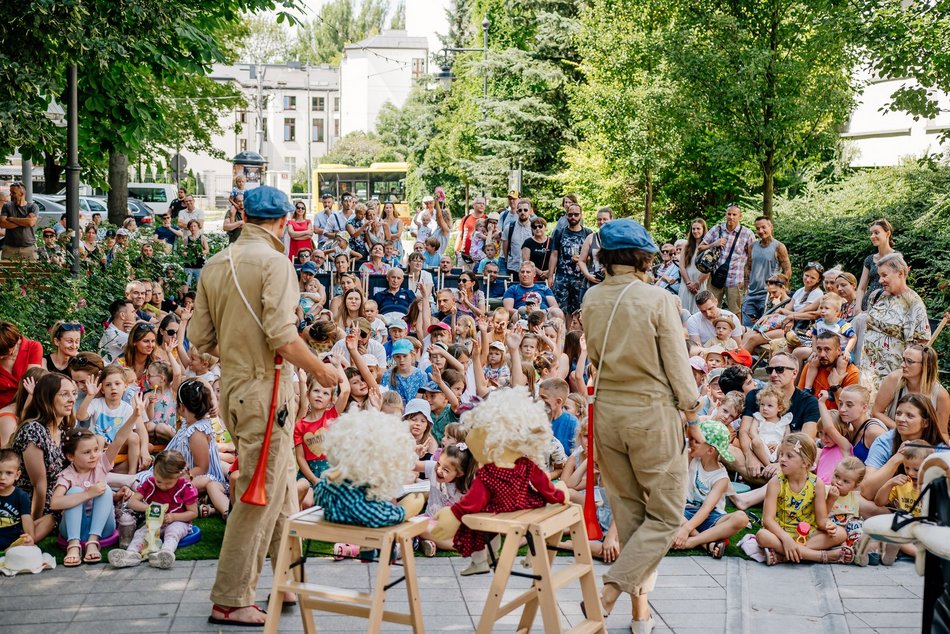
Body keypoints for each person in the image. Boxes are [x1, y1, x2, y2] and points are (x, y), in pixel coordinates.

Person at [189, 185, 338, 626]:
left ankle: (289, 581)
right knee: (259, 493)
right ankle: (231, 599)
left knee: (279, 489)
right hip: (268, 391)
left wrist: (243, 357)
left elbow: (200, 340)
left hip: (235, 389)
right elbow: (281, 336)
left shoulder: (215, 263)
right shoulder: (275, 262)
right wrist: (322, 370)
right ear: (281, 222)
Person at [581, 218, 703, 632]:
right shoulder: (657, 299)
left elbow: (595, 358)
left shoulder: (592, 298)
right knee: (667, 517)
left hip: (608, 415)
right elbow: (678, 367)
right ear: (642, 256)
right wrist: (693, 415)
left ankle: (640, 615)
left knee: (632, 517)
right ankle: (610, 592)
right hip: (651, 414)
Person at [51, 397, 145, 566]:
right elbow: (55, 503)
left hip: (102, 527)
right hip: (74, 528)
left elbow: (119, 439)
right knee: (75, 491)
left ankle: (93, 542)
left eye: (95, 450)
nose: (94, 455)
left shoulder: (101, 463)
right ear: (71, 456)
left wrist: (135, 415)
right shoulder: (67, 475)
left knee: (105, 490)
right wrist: (87, 494)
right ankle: (73, 545)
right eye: (86, 452)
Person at [754, 433, 849, 565]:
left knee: (840, 533)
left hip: (809, 534)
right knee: (762, 536)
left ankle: (784, 556)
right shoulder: (776, 482)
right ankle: (822, 556)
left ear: (805, 463)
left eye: (789, 456)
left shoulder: (817, 484)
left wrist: (828, 526)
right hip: (782, 533)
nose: (782, 459)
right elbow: (768, 520)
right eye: (781, 454)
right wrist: (786, 539)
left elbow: (821, 519)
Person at [10, 373, 77, 542]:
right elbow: (39, 485)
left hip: (58, 498)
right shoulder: (33, 430)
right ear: (47, 398)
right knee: (52, 519)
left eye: (73, 393)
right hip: (30, 505)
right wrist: (33, 520)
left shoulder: (62, 429)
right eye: (64, 394)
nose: (71, 399)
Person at [108, 450, 200, 569]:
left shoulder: (185, 487)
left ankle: (165, 553)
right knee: (140, 533)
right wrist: (149, 508)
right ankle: (131, 554)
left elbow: (193, 513)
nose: (162, 486)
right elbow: (132, 502)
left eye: (168, 483)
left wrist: (173, 517)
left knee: (172, 532)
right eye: (159, 481)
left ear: (178, 476)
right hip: (154, 521)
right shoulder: (151, 483)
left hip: (179, 521)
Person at [671, 420, 748, 558]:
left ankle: (692, 541)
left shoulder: (721, 478)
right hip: (685, 513)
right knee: (666, 510)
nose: (691, 442)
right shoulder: (692, 457)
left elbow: (706, 509)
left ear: (710, 450)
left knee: (741, 518)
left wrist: (686, 529)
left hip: (710, 517)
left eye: (697, 441)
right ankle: (707, 543)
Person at [858, 253, 931, 389]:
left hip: (892, 375)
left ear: (900, 273)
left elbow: (921, 343)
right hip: (867, 370)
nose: (880, 280)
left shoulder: (914, 304)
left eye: (884, 275)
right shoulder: (876, 296)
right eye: (880, 276)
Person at [873, 344, 948, 439]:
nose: (902, 365)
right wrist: (903, 430)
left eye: (909, 361)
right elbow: (876, 412)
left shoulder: (941, 395)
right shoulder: (894, 379)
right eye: (903, 360)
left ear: (926, 366)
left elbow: (942, 432)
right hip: (894, 436)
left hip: (922, 443)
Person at [696, 204, 755, 314]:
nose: (731, 217)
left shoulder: (747, 233)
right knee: (711, 309)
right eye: (729, 214)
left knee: (736, 312)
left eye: (734, 214)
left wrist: (747, 280)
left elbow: (752, 258)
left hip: (735, 280)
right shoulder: (716, 230)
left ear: (740, 216)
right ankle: (712, 331)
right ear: (725, 215)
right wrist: (714, 243)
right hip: (715, 278)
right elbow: (700, 248)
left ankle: (738, 331)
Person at [741, 216, 791, 327]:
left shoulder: (779, 247)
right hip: (751, 295)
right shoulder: (752, 246)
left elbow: (787, 269)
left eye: (763, 227)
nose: (761, 231)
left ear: (771, 227)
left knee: (764, 328)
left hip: (768, 295)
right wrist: (746, 288)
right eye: (758, 228)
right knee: (747, 327)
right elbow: (748, 267)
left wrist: (781, 289)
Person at [548, 203, 592, 329]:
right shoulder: (559, 232)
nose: (573, 217)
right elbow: (554, 254)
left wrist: (583, 259)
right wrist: (550, 276)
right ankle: (561, 336)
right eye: (570, 214)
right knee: (560, 310)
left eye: (576, 214)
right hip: (562, 277)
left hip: (580, 278)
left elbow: (592, 257)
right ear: (566, 215)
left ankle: (576, 337)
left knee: (578, 310)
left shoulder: (587, 233)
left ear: (581, 215)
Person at [798, 331, 861, 407]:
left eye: (827, 350)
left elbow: (847, 410)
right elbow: (800, 400)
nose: (822, 354)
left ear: (839, 350)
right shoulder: (811, 366)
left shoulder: (852, 373)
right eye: (819, 349)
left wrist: (835, 387)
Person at [0, 321, 43, 409]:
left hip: (28, 407)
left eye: (4, 353)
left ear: (16, 342)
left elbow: (32, 382)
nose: (0, 357)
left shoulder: (33, 347)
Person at [857, 218, 895, 311]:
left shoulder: (896, 258)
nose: (872, 236)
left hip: (886, 306)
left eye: (876, 233)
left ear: (887, 233)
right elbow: (861, 288)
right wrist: (858, 308)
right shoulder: (869, 259)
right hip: (866, 306)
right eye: (871, 233)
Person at [0, 449, 35, 550]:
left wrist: (30, 537)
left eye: (8, 473)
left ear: (17, 475)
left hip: (13, 542)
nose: (2, 477)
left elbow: (27, 520)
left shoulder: (21, 496)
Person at [0, 182, 38, 261]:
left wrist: (12, 219)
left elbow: (30, 223)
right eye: (10, 192)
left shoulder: (32, 206)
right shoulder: (7, 206)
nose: (10, 195)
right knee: (7, 272)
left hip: (28, 248)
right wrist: (24, 221)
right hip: (9, 248)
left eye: (13, 193)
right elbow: (3, 224)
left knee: (30, 272)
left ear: (22, 193)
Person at [678, 218, 709, 315]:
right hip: (686, 283)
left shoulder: (708, 246)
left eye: (698, 229)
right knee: (684, 311)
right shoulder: (686, 246)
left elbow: (708, 269)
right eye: (693, 229)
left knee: (699, 312)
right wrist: (688, 283)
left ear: (703, 229)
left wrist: (697, 283)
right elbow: (682, 266)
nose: (695, 231)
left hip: (699, 284)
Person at [577, 207, 613, 286]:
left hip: (611, 280)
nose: (602, 222)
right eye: (599, 219)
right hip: (592, 281)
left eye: (605, 219)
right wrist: (587, 275)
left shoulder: (617, 238)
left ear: (611, 220)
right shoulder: (591, 237)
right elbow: (581, 261)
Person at [500, 198, 534, 275]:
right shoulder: (509, 227)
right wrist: (508, 260)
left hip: (529, 269)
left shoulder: (534, 227)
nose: (523, 212)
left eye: (525, 210)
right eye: (520, 210)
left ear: (529, 211)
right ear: (517, 212)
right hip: (513, 267)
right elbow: (505, 247)